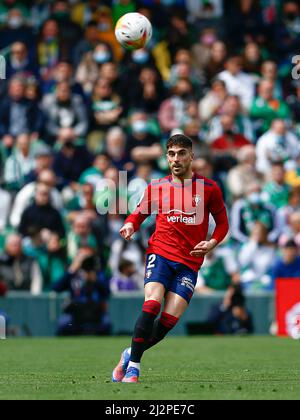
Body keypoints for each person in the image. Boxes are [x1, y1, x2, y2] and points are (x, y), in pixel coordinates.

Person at [112, 134, 229, 383]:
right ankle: (134, 366)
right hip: (161, 254)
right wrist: (130, 225)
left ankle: (128, 353)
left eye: (181, 153)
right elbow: (138, 213)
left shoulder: (209, 188)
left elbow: (222, 224)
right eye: (171, 154)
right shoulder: (157, 187)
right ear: (166, 157)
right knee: (152, 303)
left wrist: (211, 243)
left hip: (189, 262)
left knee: (167, 322)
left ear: (191, 156)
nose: (176, 159)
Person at [53, 253, 110, 336]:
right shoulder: (73, 275)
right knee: (63, 323)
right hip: (76, 310)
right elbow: (56, 288)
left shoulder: (97, 273)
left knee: (106, 323)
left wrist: (95, 280)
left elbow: (107, 292)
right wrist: (71, 270)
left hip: (95, 311)